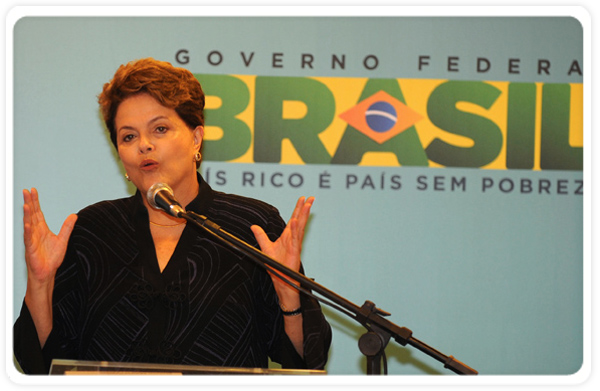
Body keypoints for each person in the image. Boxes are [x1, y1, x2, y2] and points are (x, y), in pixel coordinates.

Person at [14, 58, 332, 374]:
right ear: (121, 157)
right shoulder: (93, 231)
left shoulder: (249, 226)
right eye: (128, 137)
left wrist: (290, 294)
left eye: (160, 129)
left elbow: (303, 361)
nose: (145, 145)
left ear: (196, 138)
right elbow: (40, 363)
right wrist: (40, 283)